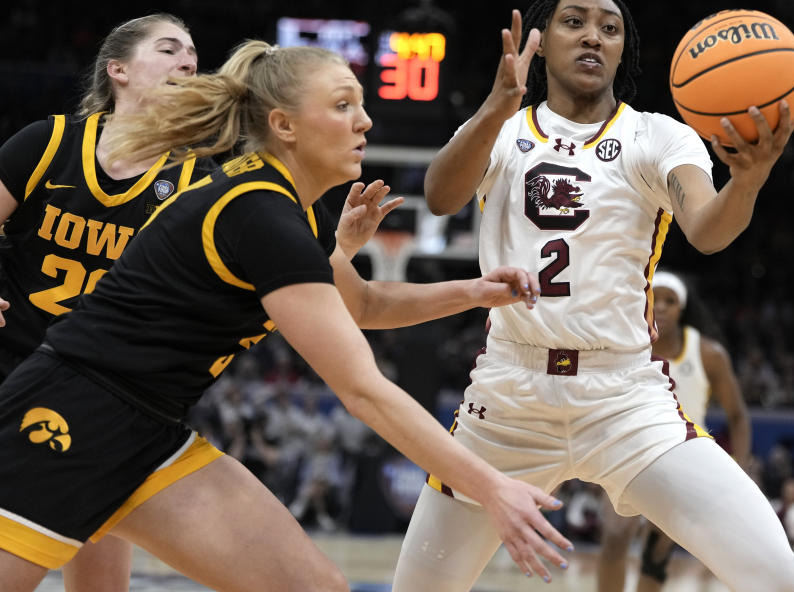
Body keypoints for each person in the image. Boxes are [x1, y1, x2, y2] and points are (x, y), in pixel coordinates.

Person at [0, 40, 573, 592]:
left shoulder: (290, 214)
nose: (365, 122)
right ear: (284, 125)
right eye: (343, 105)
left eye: (362, 105)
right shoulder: (260, 213)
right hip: (69, 411)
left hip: (149, 434)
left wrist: (472, 292)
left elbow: (365, 305)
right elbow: (363, 391)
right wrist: (491, 488)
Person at [394, 0, 794, 592]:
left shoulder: (659, 136)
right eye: (574, 22)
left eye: (610, 28)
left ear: (623, 52)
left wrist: (747, 181)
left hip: (623, 398)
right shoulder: (504, 130)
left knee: (776, 577)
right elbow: (440, 195)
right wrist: (493, 105)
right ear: (542, 43)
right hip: (508, 398)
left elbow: (707, 229)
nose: (593, 35)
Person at [0, 13, 208, 592]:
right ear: (118, 69)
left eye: (192, 54)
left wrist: (336, 250)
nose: (188, 62)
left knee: (98, 575)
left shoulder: (198, 182)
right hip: (11, 372)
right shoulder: (49, 142)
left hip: (102, 392)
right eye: (169, 50)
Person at [596, 270, 752, 592]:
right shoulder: (623, 344)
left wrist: (741, 467)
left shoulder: (709, 354)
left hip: (682, 462)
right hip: (627, 454)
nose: (663, 307)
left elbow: (737, 416)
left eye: (671, 301)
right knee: (613, 539)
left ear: (683, 307)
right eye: (657, 299)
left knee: (657, 556)